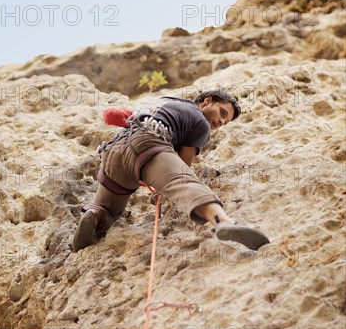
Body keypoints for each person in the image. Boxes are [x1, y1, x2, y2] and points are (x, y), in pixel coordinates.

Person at [71, 90, 270, 252]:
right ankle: (223, 222)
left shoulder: (166, 101)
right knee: (185, 183)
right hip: (149, 147)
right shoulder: (201, 123)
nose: (220, 123)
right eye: (222, 114)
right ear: (207, 101)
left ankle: (93, 215)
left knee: (107, 208)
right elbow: (183, 165)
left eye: (225, 123)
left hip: (114, 152)